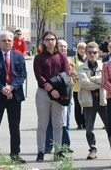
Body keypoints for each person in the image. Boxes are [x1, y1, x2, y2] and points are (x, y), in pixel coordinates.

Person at [0, 30, 27, 163]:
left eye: (9, 40)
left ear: (12, 42)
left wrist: (11, 87)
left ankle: (15, 154)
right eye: (4, 40)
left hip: (14, 96)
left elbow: (22, 74)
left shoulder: (18, 56)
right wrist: (2, 88)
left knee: (14, 126)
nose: (7, 43)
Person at [32, 30, 71, 163]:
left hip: (58, 94)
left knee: (58, 124)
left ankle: (58, 151)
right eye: (47, 39)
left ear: (56, 41)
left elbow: (66, 74)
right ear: (43, 42)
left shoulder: (62, 57)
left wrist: (56, 90)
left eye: (52, 39)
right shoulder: (39, 58)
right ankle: (41, 151)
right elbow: (39, 75)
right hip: (43, 93)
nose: (50, 42)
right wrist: (50, 88)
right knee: (42, 124)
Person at [76, 42, 104, 161]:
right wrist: (99, 84)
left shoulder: (104, 66)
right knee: (89, 128)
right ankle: (92, 149)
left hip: (102, 99)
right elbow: (84, 84)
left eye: (95, 52)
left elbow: (105, 80)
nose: (92, 54)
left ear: (98, 53)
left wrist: (92, 79)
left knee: (110, 127)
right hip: (88, 100)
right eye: (90, 52)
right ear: (86, 53)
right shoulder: (81, 67)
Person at [71, 42, 87, 129]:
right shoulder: (74, 59)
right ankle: (79, 123)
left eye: (83, 48)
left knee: (86, 105)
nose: (82, 50)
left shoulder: (88, 58)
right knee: (77, 105)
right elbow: (72, 70)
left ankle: (85, 122)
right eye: (80, 48)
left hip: (86, 86)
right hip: (77, 87)